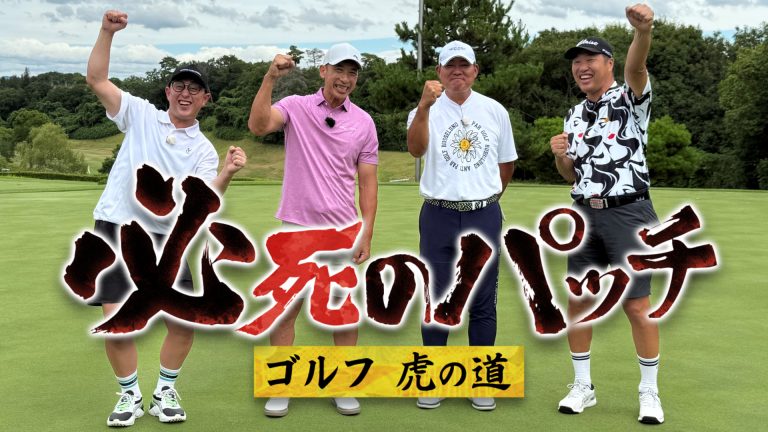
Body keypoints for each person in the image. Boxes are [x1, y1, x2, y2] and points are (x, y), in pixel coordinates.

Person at [85, 10, 247, 427]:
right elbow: (97, 80)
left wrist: (227, 172)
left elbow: (203, 198)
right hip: (118, 230)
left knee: (183, 323)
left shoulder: (204, 149)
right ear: (168, 91)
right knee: (116, 321)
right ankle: (129, 395)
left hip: (168, 241)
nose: (185, 93)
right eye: (180, 86)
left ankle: (164, 391)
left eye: (195, 89)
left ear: (206, 98)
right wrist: (106, 32)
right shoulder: (140, 114)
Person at [247, 43, 378, 418]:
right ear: (324, 71)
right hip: (297, 227)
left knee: (343, 311)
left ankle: (343, 385)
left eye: (352, 72)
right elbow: (258, 125)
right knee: (286, 309)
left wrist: (367, 231)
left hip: (342, 230)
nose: (346, 79)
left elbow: (368, 182)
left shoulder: (364, 122)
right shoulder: (296, 106)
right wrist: (271, 77)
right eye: (340, 70)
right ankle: (280, 385)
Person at [549, 4, 664, 425]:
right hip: (585, 214)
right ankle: (583, 386)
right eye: (576, 62)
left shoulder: (631, 97)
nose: (581, 67)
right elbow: (572, 174)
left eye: (590, 59)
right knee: (579, 301)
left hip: (629, 212)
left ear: (608, 64)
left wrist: (642, 32)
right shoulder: (575, 114)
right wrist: (560, 156)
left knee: (637, 305)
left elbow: (638, 67)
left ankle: (649, 391)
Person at [406, 40, 517, 412]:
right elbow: (416, 149)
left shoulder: (494, 110)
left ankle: (480, 379)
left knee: (482, 299)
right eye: (450, 66)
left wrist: (486, 198)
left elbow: (506, 163)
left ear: (475, 70)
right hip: (438, 214)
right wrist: (424, 106)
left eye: (464, 65)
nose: (457, 71)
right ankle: (434, 378)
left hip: (482, 214)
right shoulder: (423, 110)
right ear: (439, 71)